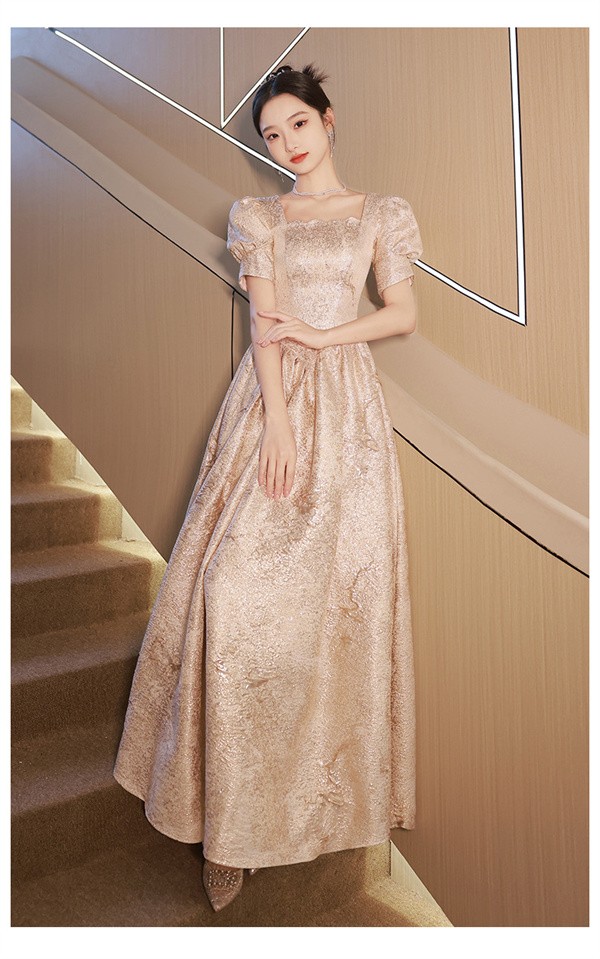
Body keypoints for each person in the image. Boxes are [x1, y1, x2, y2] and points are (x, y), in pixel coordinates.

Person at [113, 62, 423, 914]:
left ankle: (310, 809)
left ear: (329, 119)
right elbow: (264, 327)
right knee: (229, 594)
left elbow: (401, 313)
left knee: (330, 618)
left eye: (298, 125)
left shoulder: (380, 213)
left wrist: (326, 334)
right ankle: (225, 829)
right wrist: (278, 425)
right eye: (272, 135)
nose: (287, 145)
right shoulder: (259, 216)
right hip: (270, 405)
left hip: (352, 422)